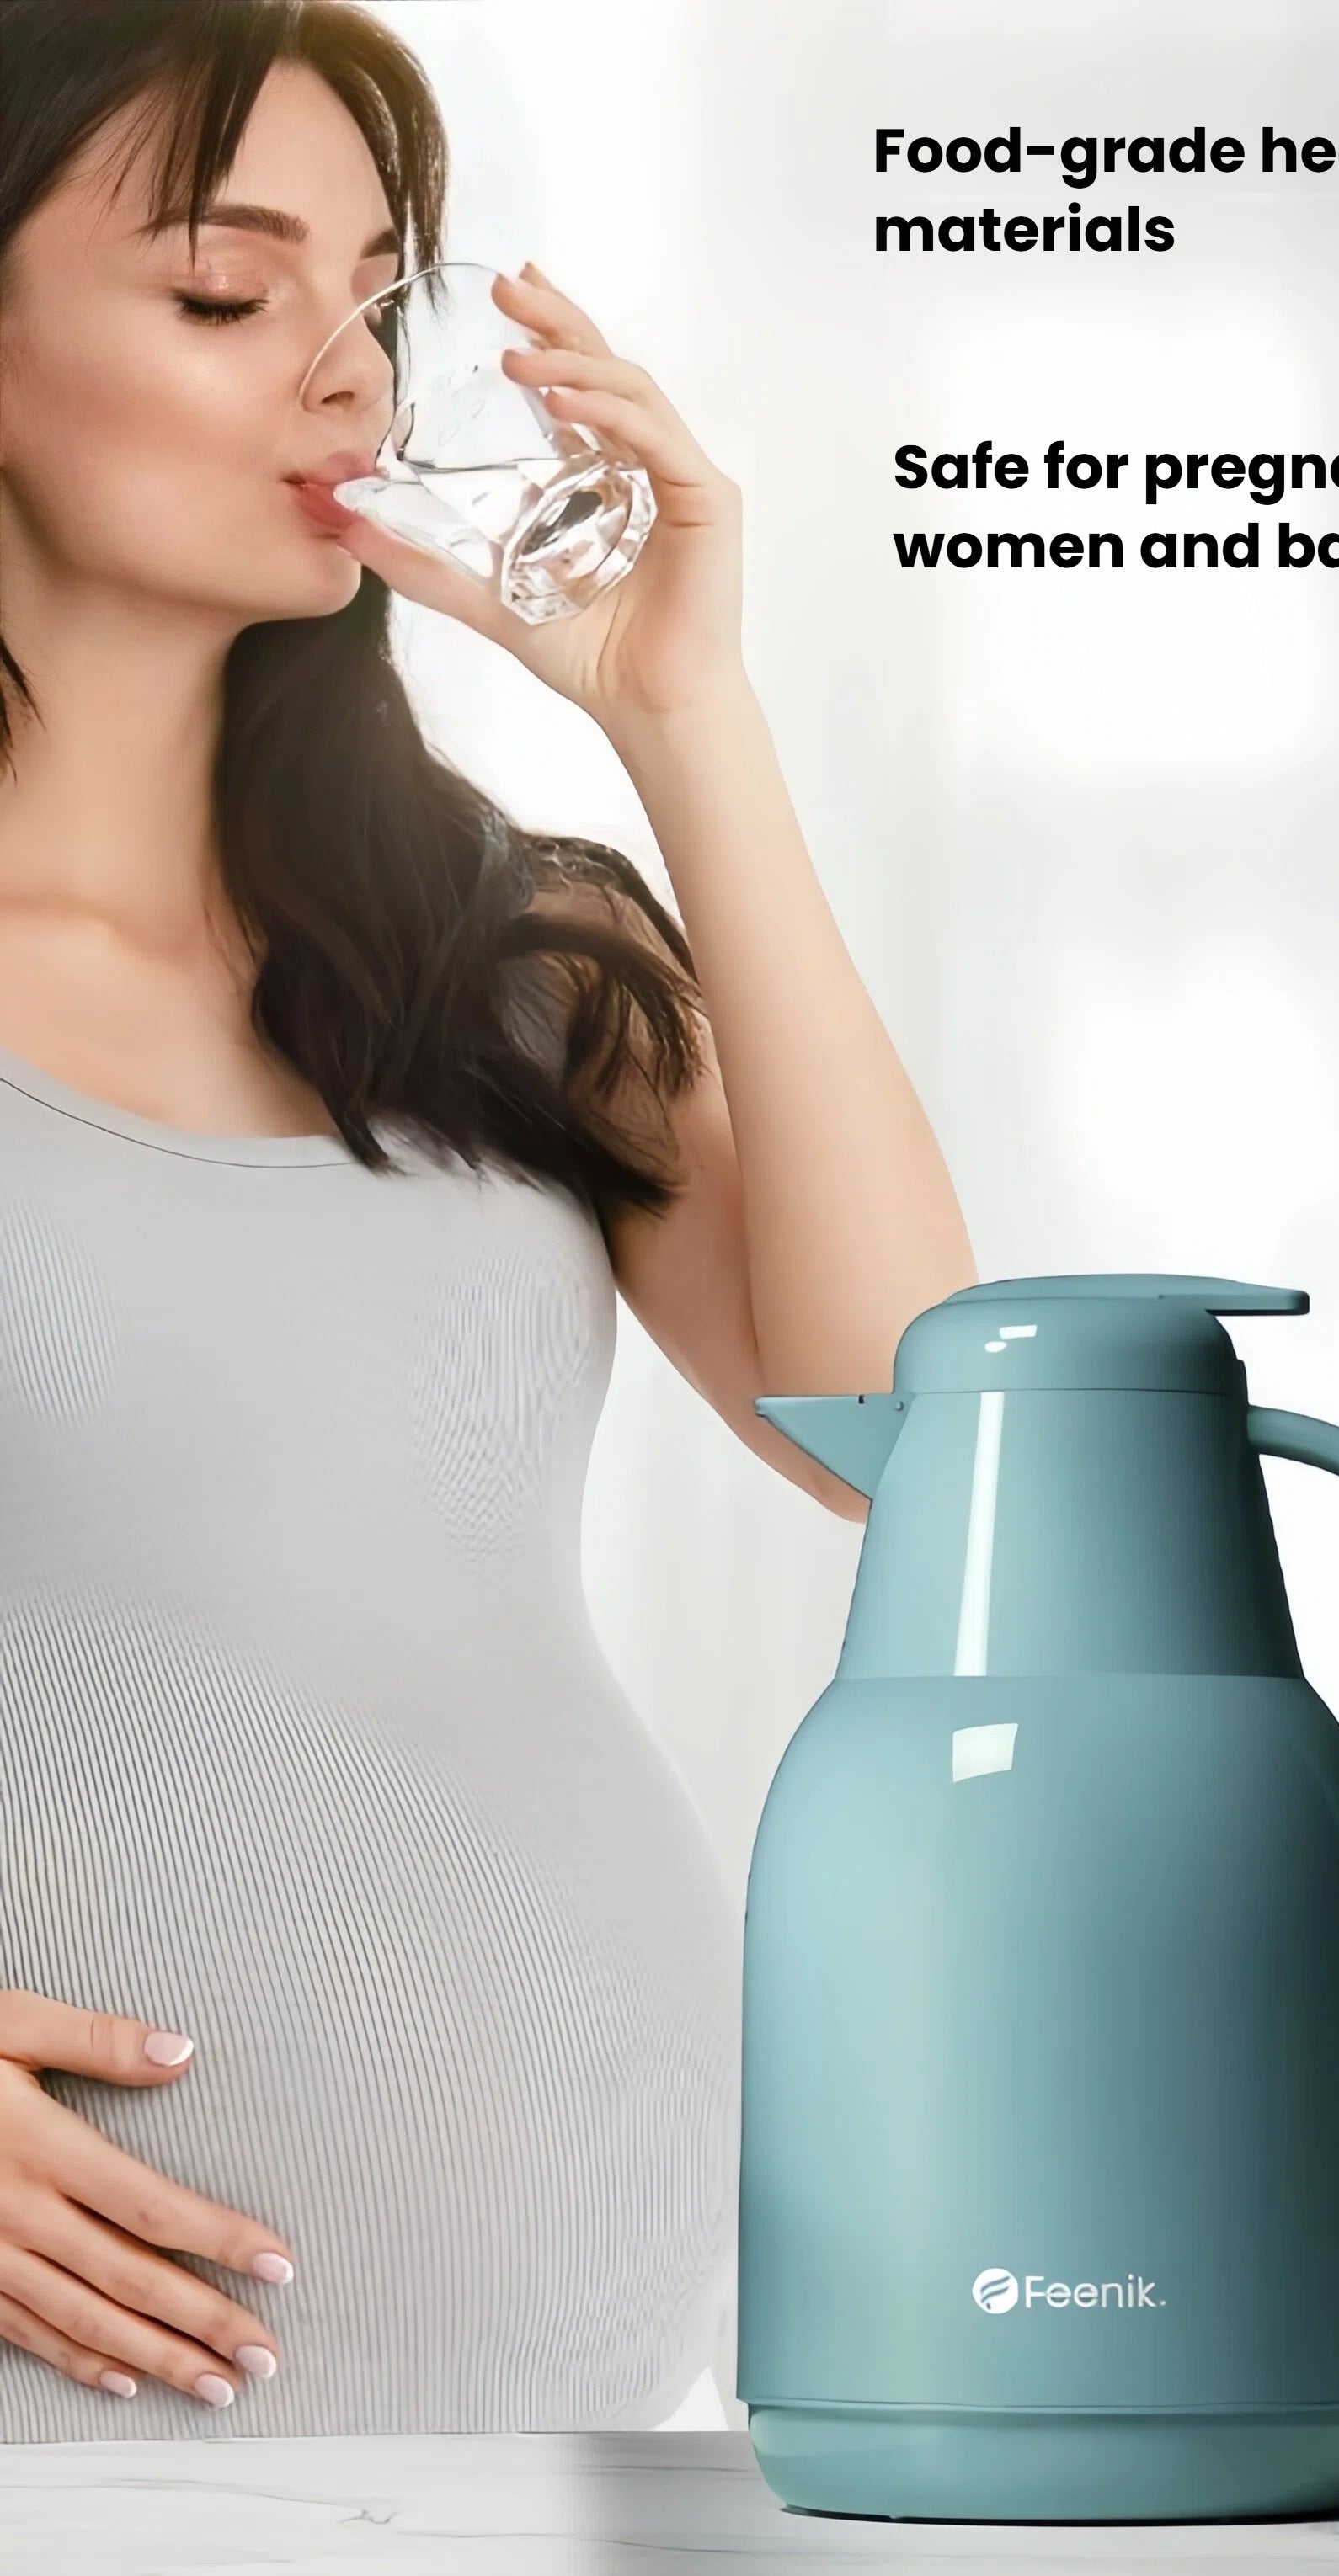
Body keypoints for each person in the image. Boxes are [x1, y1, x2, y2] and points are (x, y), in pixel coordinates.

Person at [0, 0, 977, 2439]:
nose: (342, 376)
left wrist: (686, 722)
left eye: (375, 297)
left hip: (579, 2414)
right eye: (230, 297)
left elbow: (924, 1452)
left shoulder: (507, 965)